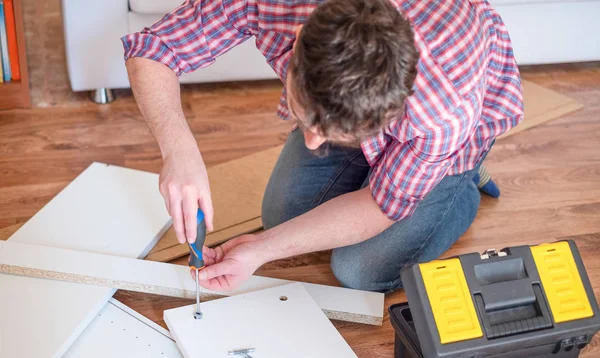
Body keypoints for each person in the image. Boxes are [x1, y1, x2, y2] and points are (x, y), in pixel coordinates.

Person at [121, 0, 523, 293]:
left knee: (360, 271)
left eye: (329, 134)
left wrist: (261, 250)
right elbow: (153, 49)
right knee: (282, 215)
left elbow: (382, 206)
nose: (311, 142)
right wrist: (179, 149)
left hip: (455, 138)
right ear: (299, 43)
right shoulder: (271, 3)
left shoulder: (443, 103)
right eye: (305, 115)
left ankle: (461, 188)